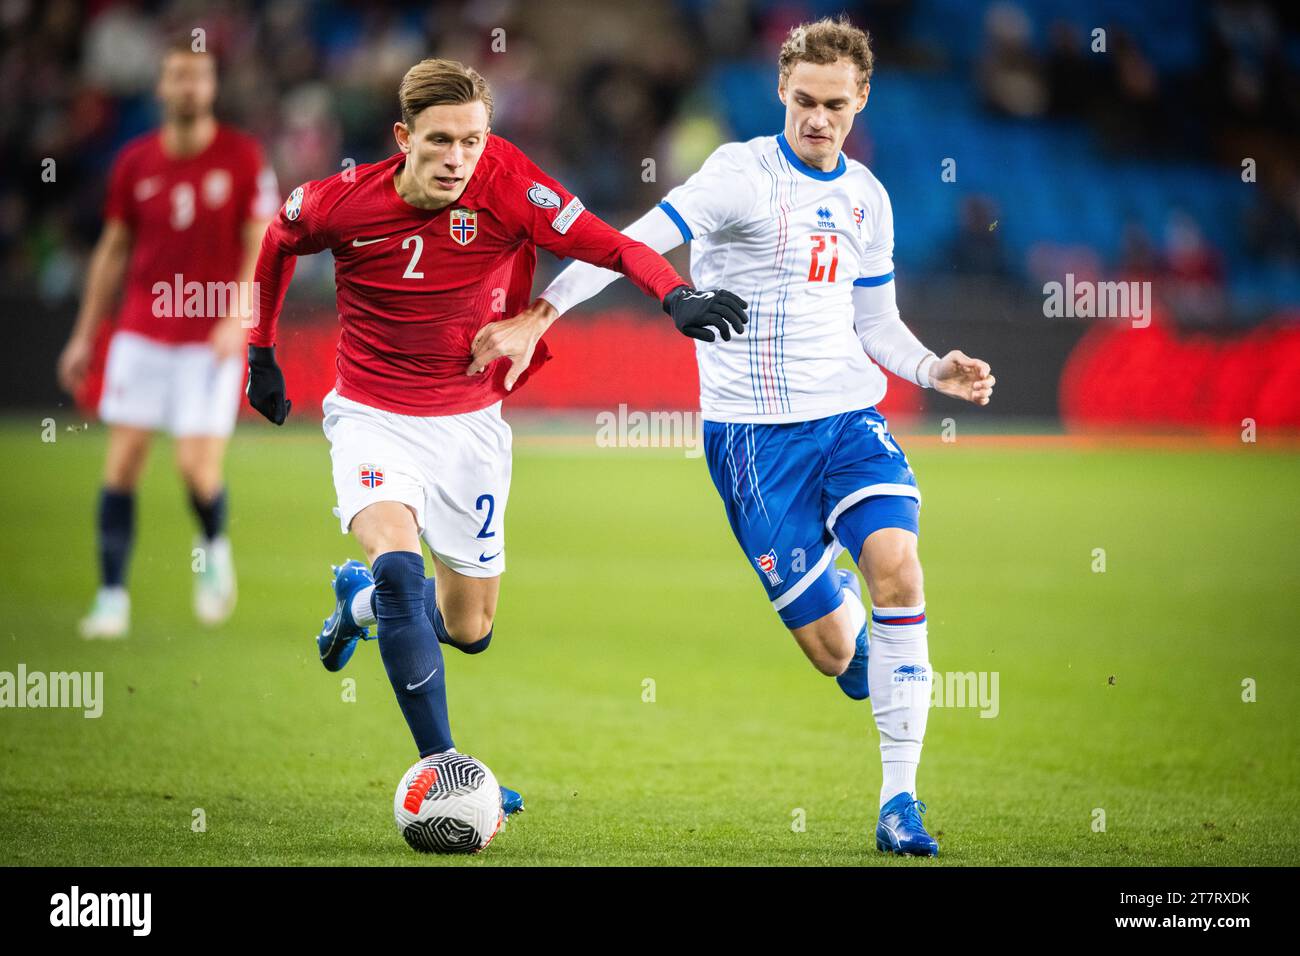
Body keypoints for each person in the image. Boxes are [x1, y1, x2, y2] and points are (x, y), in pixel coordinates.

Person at [488, 18, 996, 855]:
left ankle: (899, 802)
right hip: (754, 446)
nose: (818, 119)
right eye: (803, 101)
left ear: (861, 98)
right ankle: (855, 647)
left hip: (848, 422)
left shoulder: (867, 196)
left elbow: (877, 321)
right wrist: (542, 312)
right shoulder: (739, 175)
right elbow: (628, 243)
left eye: (835, 104)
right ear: (782, 92)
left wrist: (931, 367)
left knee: (898, 569)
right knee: (837, 654)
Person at [244, 58, 747, 815]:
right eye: (441, 141)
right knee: (401, 572)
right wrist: (260, 351)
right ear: (402, 137)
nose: (457, 159)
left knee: (470, 630)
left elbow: (609, 245)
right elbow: (276, 245)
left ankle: (358, 608)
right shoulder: (340, 202)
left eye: (472, 141)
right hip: (372, 417)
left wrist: (676, 297)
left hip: (470, 424)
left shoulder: (509, 181)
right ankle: (444, 770)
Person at [57, 40, 277, 638]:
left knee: (193, 468)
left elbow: (260, 242)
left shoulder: (242, 157)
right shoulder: (134, 162)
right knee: (122, 462)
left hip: (209, 337)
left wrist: (238, 315)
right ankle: (110, 598)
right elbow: (113, 250)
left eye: (197, 77)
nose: (187, 87)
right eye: (177, 77)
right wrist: (84, 335)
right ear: (161, 88)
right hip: (141, 333)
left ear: (211, 88)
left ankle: (212, 548)